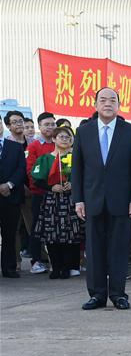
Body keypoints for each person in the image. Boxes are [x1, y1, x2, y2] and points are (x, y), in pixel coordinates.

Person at [72, 88, 131, 310]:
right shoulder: (83, 132)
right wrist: (78, 199)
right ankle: (97, 295)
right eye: (102, 100)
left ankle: (118, 294)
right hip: (92, 199)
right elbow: (77, 169)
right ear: (95, 105)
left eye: (112, 100)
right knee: (94, 251)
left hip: (121, 200)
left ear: (118, 105)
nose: (107, 103)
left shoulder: (130, 131)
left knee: (119, 249)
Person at [31, 126, 85, 279]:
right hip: (51, 201)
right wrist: (51, 186)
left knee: (71, 233)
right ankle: (56, 266)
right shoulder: (45, 158)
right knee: (51, 234)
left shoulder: (76, 158)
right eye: (61, 137)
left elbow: (86, 177)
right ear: (54, 139)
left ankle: (69, 266)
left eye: (68, 137)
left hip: (70, 200)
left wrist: (73, 184)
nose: (65, 140)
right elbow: (37, 180)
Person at [25, 112, 57, 275]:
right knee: (38, 227)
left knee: (56, 228)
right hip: (40, 193)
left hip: (59, 195)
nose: (50, 127)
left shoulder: (59, 144)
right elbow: (31, 171)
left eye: (53, 124)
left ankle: (56, 261)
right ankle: (36, 261)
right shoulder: (34, 146)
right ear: (40, 127)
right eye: (47, 124)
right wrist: (47, 186)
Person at [0, 119, 26, 277]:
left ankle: (9, 267)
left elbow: (21, 169)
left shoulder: (15, 147)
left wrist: (9, 185)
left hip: (11, 195)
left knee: (9, 234)